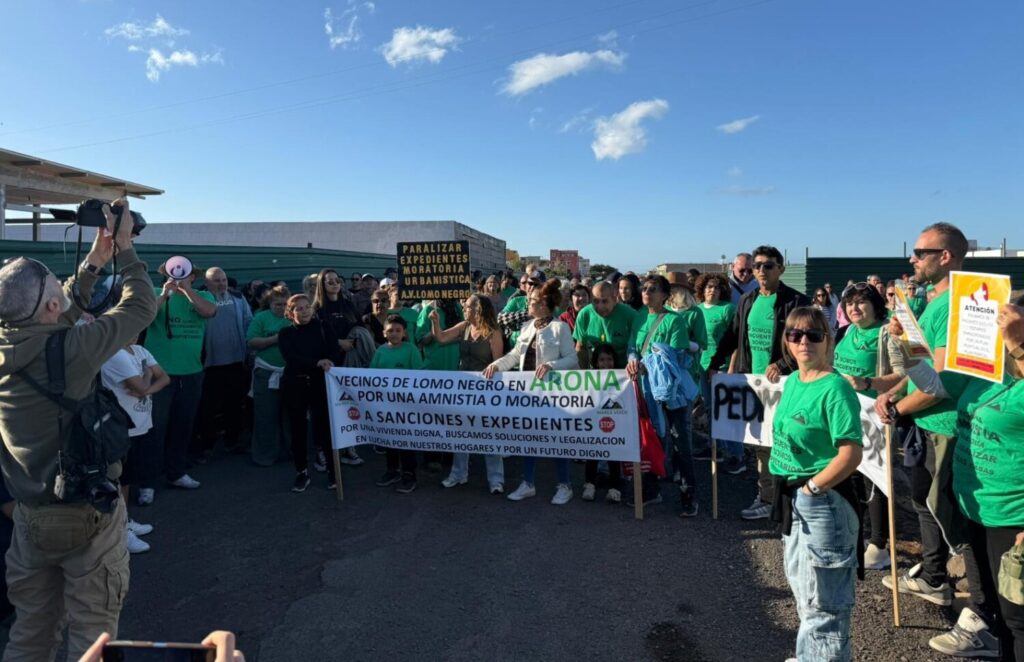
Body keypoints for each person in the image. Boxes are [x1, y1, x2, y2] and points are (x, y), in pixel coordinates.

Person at [0, 199, 156, 659]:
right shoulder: (74, 350)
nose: (64, 293)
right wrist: (125, 250)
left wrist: (94, 262)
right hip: (85, 512)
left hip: (28, 516)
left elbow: (54, 311)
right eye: (57, 289)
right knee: (92, 639)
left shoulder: (11, 342)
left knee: (31, 634)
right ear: (52, 303)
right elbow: (142, 304)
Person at [876, 222, 1001, 659]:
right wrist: (886, 389)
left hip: (947, 425)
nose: (912, 259)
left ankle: (984, 619)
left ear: (945, 256)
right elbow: (917, 367)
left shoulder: (960, 305)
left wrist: (897, 407)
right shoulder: (932, 302)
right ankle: (936, 580)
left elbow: (939, 383)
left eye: (919, 251)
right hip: (929, 424)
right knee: (928, 505)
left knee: (961, 525)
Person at [892, 296, 1024, 660]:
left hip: (1012, 515)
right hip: (976, 505)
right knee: (1001, 609)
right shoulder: (988, 370)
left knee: (1017, 617)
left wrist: (1020, 344)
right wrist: (906, 343)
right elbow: (933, 384)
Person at [767, 307, 864, 662]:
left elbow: (850, 453)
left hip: (823, 502)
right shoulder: (794, 381)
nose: (803, 341)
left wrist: (811, 490)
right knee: (804, 592)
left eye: (813, 335)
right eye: (795, 334)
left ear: (828, 339)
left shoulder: (835, 387)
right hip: (794, 499)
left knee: (825, 606)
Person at [709, 245, 811, 520]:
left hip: (786, 385)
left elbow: (807, 341)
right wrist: (714, 364)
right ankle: (767, 497)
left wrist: (782, 364)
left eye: (768, 265)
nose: (761, 270)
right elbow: (733, 336)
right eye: (757, 266)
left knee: (790, 442)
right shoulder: (747, 300)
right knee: (762, 445)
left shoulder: (796, 301)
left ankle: (793, 497)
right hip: (753, 385)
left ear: (781, 268)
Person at [485, 279, 579, 505]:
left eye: (533, 301)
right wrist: (497, 365)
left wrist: (551, 366)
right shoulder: (527, 327)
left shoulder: (560, 327)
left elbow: (572, 358)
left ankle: (564, 485)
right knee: (529, 438)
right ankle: (528, 483)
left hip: (553, 393)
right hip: (527, 394)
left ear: (545, 305)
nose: (528, 303)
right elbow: (515, 355)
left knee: (557, 439)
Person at [832, 283, 904, 571]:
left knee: (875, 477)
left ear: (876, 305)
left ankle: (879, 543)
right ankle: (854, 531)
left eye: (862, 302)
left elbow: (903, 375)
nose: (854, 308)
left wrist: (868, 384)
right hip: (846, 412)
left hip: (875, 415)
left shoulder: (888, 333)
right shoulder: (848, 331)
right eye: (850, 303)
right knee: (850, 473)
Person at [140, 257, 218, 505]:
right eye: (172, 274)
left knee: (183, 426)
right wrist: (165, 295)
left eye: (184, 275)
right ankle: (147, 481)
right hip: (160, 373)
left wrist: (186, 291)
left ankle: (176, 472)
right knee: (155, 428)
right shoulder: (154, 293)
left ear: (193, 277)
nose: (176, 277)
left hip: (191, 371)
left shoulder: (204, 297)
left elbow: (209, 311)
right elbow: (144, 317)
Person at [627, 275, 700, 516]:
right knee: (651, 440)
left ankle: (689, 495)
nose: (646, 292)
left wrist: (649, 364)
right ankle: (651, 490)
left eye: (653, 289)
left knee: (680, 441)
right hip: (646, 390)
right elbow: (632, 348)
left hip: (671, 392)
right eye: (645, 289)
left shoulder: (674, 320)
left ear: (665, 295)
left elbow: (677, 356)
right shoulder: (639, 317)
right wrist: (633, 361)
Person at [429, 295, 505, 493]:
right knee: (460, 433)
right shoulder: (464, 326)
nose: (464, 307)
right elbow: (441, 337)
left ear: (479, 310)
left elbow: (498, 363)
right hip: (463, 388)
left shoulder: (493, 332)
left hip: (486, 390)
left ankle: (496, 480)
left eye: (469, 306)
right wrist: (435, 323)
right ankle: (458, 474)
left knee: (490, 435)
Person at [101, 336, 169, 554]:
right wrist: (148, 377)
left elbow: (163, 378)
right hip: (121, 429)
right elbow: (140, 384)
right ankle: (118, 532)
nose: (136, 330)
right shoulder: (114, 353)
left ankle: (124, 521)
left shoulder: (140, 350)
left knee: (127, 479)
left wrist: (146, 386)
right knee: (117, 480)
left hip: (140, 425)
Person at [278, 294, 342, 492]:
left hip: (320, 384)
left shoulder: (324, 327)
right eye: (299, 308)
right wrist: (317, 362)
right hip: (295, 385)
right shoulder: (285, 333)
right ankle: (302, 472)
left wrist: (329, 361)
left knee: (325, 429)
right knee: (298, 430)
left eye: (307, 307)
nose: (304, 311)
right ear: (290, 313)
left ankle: (333, 471)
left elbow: (335, 350)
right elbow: (292, 357)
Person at [195, 267, 253, 460]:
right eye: (217, 280)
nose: (222, 283)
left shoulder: (238, 297)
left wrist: (247, 353)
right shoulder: (199, 298)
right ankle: (206, 445)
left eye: (223, 279)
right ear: (207, 282)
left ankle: (232, 441)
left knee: (234, 405)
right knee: (207, 407)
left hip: (236, 361)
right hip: (209, 364)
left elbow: (248, 322)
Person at [693, 272, 743, 474]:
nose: (712, 290)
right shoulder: (696, 310)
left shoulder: (728, 309)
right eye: (708, 287)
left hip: (721, 367)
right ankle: (717, 448)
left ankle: (736, 455)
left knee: (726, 412)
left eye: (716, 287)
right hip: (702, 367)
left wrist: (731, 368)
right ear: (702, 290)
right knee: (711, 409)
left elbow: (736, 341)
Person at [371, 315, 425, 493]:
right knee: (389, 438)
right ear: (383, 333)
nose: (394, 334)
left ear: (404, 333)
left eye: (397, 330)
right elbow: (371, 376)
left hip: (406, 405)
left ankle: (409, 474)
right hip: (386, 406)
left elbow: (418, 375)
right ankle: (392, 470)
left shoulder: (411, 350)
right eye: (390, 331)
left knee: (406, 440)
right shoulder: (380, 351)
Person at [246, 286, 292, 467]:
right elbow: (252, 342)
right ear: (269, 304)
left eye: (284, 304)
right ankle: (264, 455)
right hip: (266, 372)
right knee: (266, 415)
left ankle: (289, 451)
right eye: (277, 304)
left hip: (289, 372)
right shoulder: (261, 318)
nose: (281, 308)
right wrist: (275, 339)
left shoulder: (293, 318)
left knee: (289, 415)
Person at [582, 343, 624, 502]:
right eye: (602, 360)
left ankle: (615, 487)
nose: (606, 364)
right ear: (596, 362)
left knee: (614, 453)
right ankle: (589, 484)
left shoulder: (621, 377)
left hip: (613, 421)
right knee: (592, 451)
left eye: (609, 359)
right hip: (593, 421)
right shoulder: (589, 377)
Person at [573, 280, 640, 369]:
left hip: (624, 373)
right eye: (596, 301)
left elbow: (639, 347)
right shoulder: (585, 314)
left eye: (604, 301)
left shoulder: (630, 315)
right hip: (597, 373)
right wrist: (584, 374)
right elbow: (580, 348)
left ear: (615, 299)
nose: (600, 306)